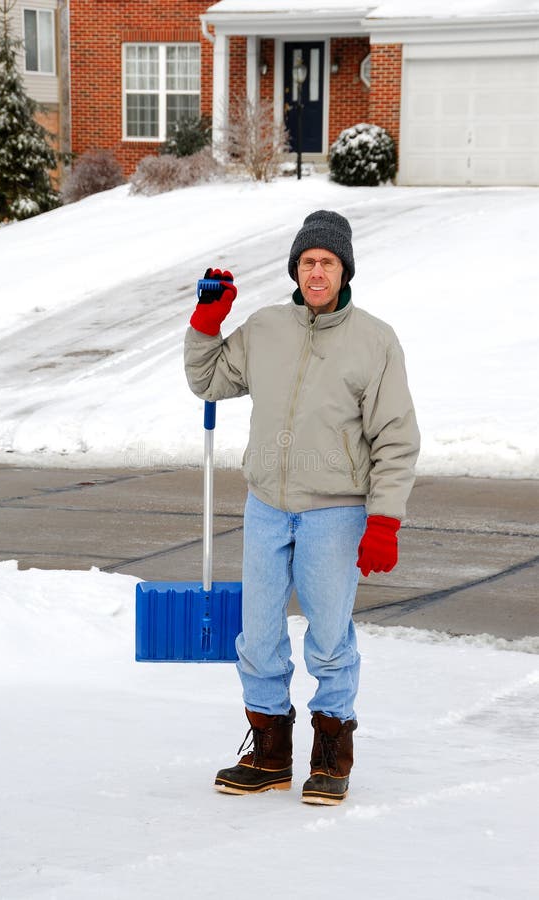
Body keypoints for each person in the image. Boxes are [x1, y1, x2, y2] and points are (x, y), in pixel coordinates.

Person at [184, 210, 420, 805]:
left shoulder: (374, 340)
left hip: (336, 510)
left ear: (345, 271)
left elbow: (395, 436)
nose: (318, 272)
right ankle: (268, 754)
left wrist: (384, 519)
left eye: (328, 262)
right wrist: (207, 323)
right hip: (267, 503)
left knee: (329, 637)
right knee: (258, 635)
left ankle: (331, 752)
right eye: (308, 262)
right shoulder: (266, 328)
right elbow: (207, 380)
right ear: (296, 269)